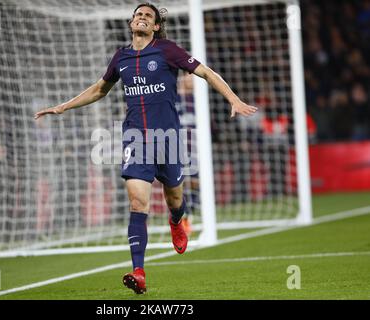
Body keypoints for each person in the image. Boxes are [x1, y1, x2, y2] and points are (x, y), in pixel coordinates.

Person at [34, 2, 257, 294]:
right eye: (138, 14)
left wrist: (233, 99)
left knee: (174, 197)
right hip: (135, 139)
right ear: (131, 22)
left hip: (169, 138)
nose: (141, 18)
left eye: (147, 16)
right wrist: (64, 106)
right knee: (138, 202)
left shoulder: (166, 50)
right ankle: (138, 272)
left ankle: (177, 220)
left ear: (155, 27)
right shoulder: (121, 57)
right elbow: (100, 89)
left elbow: (206, 73)